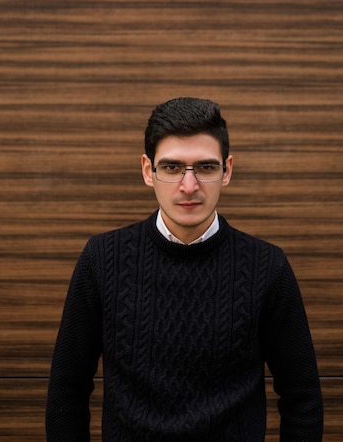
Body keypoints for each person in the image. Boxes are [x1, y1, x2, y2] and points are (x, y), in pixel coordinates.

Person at [46, 97, 323, 441]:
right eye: (172, 167)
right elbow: (66, 392)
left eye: (205, 168)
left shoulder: (266, 267)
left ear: (227, 170)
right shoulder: (102, 259)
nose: (188, 186)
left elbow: (303, 398)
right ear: (148, 171)